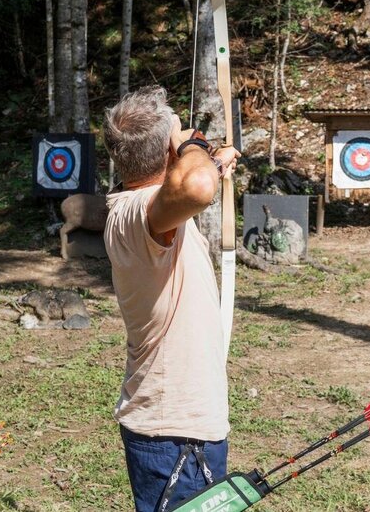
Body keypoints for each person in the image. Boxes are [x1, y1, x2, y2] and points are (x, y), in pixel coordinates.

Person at [101, 87, 240, 512]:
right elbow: (195, 187)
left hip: (176, 427)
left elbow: (191, 184)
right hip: (175, 435)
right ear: (168, 152)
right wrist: (194, 147)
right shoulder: (140, 210)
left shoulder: (141, 208)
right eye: (176, 140)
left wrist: (211, 162)